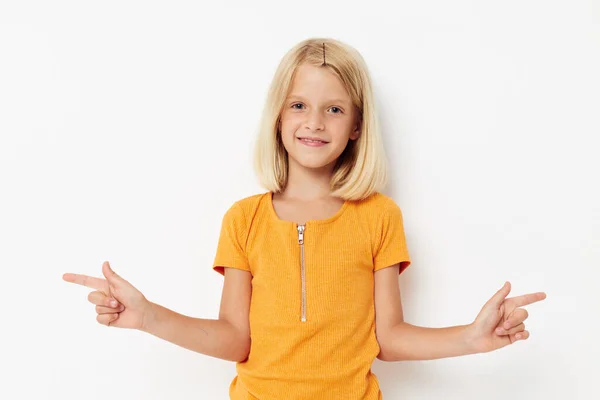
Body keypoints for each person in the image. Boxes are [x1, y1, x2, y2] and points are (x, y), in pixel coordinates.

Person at [63, 37, 547, 400]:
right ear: (278, 116)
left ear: (357, 125)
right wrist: (148, 316)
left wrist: (472, 337)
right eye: (299, 105)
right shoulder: (244, 219)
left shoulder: (379, 217)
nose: (314, 122)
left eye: (333, 109)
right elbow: (234, 337)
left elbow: (391, 340)